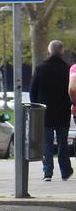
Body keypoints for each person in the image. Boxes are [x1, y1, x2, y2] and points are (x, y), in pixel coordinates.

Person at [29, 40, 73, 181]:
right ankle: (65, 171)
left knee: (47, 144)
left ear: (49, 51)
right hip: (63, 113)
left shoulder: (40, 68)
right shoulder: (67, 69)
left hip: (45, 113)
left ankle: (47, 172)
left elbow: (33, 91)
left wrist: (36, 106)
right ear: (62, 51)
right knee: (63, 143)